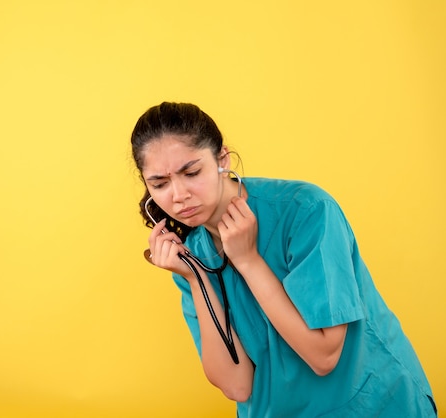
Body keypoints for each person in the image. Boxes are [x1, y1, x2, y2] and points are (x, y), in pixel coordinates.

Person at [130, 102, 436, 417]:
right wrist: (196, 277)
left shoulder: (306, 210)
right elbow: (237, 387)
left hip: (369, 405)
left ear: (223, 160)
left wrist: (248, 261)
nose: (178, 195)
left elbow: (323, 357)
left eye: (191, 172)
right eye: (160, 184)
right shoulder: (191, 257)